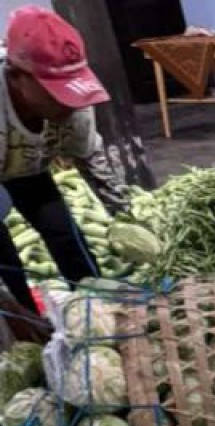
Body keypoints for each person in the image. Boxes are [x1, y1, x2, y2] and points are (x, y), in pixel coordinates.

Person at [0, 5, 129, 329]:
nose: (67, 101)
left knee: (63, 230)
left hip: (28, 165)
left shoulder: (73, 103)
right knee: (5, 261)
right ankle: (24, 327)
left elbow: (91, 160)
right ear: (17, 78)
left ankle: (95, 310)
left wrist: (124, 216)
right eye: (52, 89)